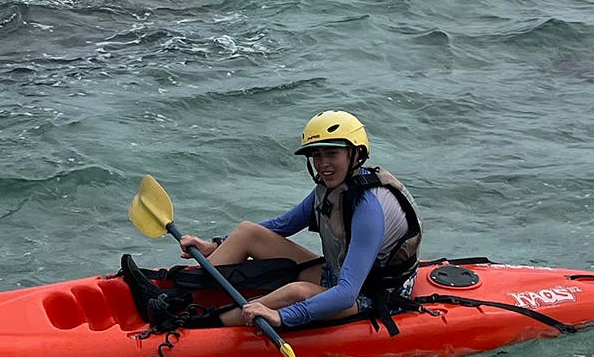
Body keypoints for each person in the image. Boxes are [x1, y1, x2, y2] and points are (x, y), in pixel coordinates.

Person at [170, 111, 423, 331]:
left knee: (296, 291)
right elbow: (280, 226)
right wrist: (216, 245)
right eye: (317, 155)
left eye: (332, 153)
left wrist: (280, 316)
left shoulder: (369, 207)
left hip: (371, 294)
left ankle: (199, 326)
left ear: (356, 154)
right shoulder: (331, 189)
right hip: (340, 273)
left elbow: (347, 294)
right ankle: (180, 298)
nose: (323, 164)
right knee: (248, 232)